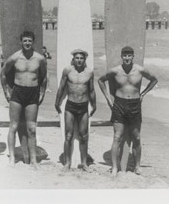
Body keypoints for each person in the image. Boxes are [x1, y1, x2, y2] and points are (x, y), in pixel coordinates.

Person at [98, 46, 158, 176]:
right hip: (119, 104)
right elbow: (100, 80)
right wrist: (108, 98)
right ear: (121, 56)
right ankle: (114, 167)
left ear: (132, 56)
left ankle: (137, 166)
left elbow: (154, 80)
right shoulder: (115, 71)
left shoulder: (140, 70)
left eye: (129, 55)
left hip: (135, 105)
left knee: (136, 137)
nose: (127, 58)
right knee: (117, 137)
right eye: (124, 55)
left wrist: (143, 94)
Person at [1, 31, 47, 168]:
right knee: (13, 126)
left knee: (32, 128)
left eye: (30, 41)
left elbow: (44, 77)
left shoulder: (40, 59)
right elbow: (3, 74)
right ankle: (12, 158)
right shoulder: (14, 58)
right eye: (25, 41)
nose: (27, 43)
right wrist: (6, 92)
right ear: (21, 42)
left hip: (33, 93)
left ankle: (33, 160)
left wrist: (42, 93)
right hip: (18, 92)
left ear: (33, 42)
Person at [55, 49, 96, 172]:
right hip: (70, 106)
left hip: (83, 106)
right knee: (68, 135)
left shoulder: (89, 72)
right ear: (73, 59)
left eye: (81, 58)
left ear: (85, 60)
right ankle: (67, 163)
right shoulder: (68, 70)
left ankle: (84, 163)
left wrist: (94, 105)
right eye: (77, 58)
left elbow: (92, 90)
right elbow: (61, 87)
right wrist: (57, 102)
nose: (79, 60)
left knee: (84, 136)